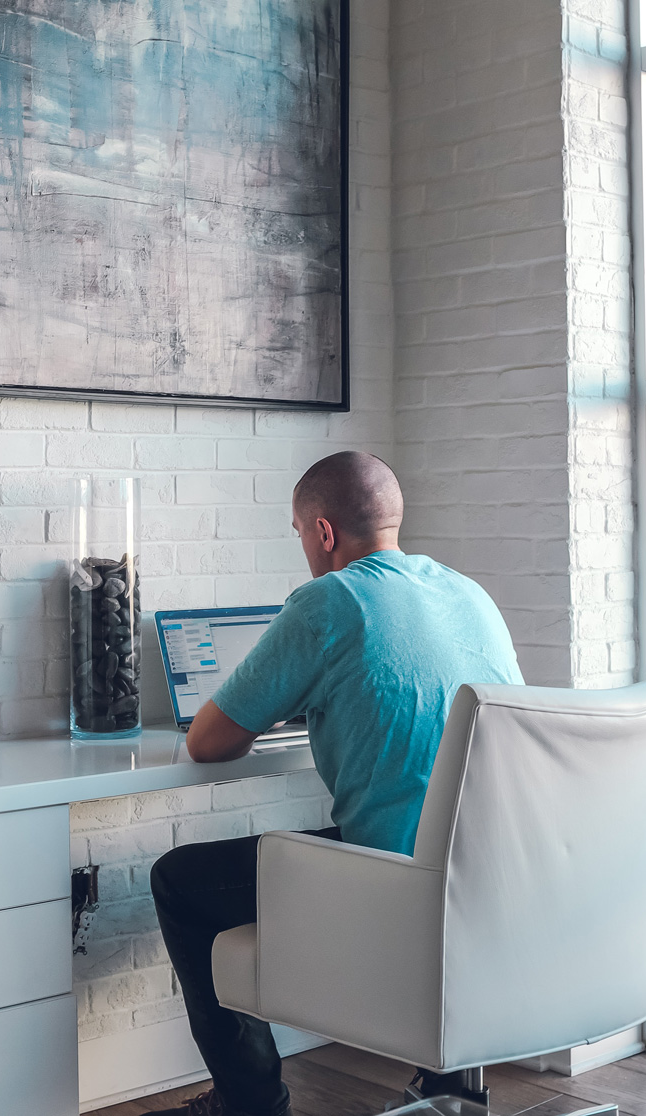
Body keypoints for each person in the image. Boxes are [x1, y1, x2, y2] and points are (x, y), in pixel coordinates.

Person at [146, 450, 523, 1116]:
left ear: (322, 532)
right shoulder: (468, 593)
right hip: (498, 876)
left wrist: (283, 699)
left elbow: (207, 742)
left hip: (397, 889)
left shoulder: (328, 600)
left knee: (180, 879)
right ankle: (447, 1083)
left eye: (297, 533)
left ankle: (249, 1104)